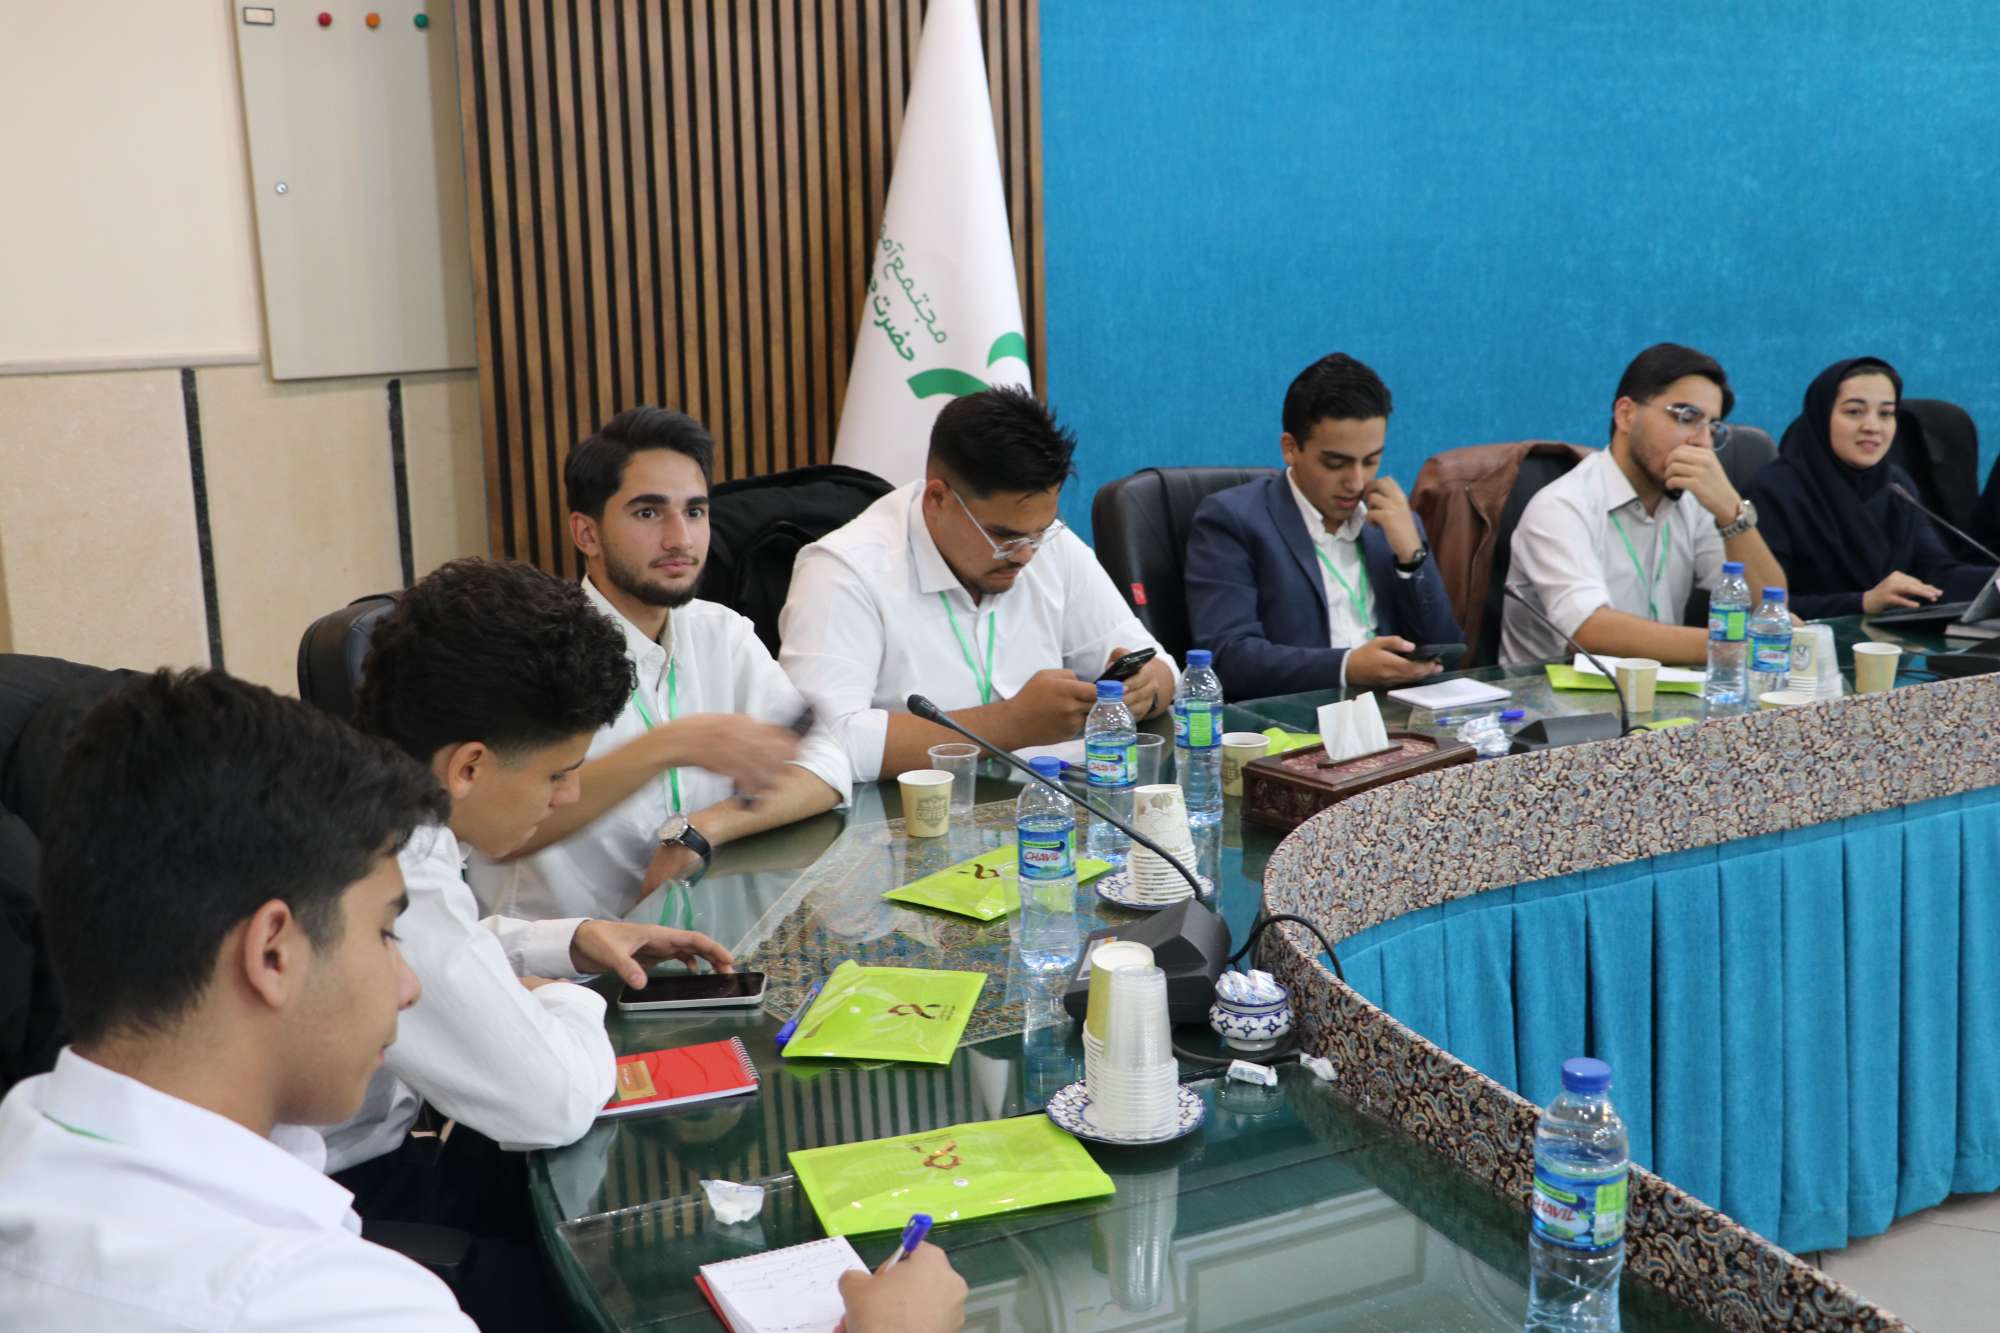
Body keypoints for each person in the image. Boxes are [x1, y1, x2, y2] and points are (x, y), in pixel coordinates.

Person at [0, 668, 476, 1329]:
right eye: (384, 933)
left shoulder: (22, 1155)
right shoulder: (343, 1309)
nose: (408, 984)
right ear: (273, 951)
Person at [334, 557, 736, 1330]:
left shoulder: (362, 796)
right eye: (559, 773)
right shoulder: (393, 869)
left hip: (389, 1153)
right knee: (643, 1287)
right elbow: (549, 1102)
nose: (570, 796)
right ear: (470, 766)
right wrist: (564, 1000)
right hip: (354, 1201)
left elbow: (446, 949)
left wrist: (570, 940)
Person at [467, 407, 851, 923]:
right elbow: (498, 831)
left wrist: (700, 830)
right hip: (561, 959)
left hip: (699, 942)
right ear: (586, 534)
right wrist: (668, 746)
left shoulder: (720, 632)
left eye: (695, 512)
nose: (680, 539)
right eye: (648, 513)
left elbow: (828, 763)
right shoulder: (530, 651)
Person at [780, 387, 1178, 781]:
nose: (1026, 555)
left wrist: (1144, 692)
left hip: (1046, 804)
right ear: (937, 498)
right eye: (1004, 536)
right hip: (905, 814)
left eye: (1040, 532)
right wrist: (1012, 723)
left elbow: (1162, 668)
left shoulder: (1046, 543)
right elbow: (823, 743)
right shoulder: (843, 571)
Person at [1184, 353, 1463, 697]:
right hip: (1295, 722)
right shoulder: (1233, 521)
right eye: (1335, 463)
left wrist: (1412, 560)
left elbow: (1448, 657)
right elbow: (1228, 658)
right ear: (1291, 448)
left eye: (1371, 461)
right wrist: (1346, 667)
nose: (1356, 481)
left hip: (1394, 718)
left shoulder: (1391, 522)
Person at [1499, 343, 1788, 666]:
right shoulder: (1562, 506)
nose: (1702, 442)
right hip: (1553, 693)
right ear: (1626, 415)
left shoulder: (1692, 503)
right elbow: (1590, 631)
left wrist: (1731, 511)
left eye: (1713, 428)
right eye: (1687, 417)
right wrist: (1733, 646)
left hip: (1660, 690)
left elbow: (1770, 608)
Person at [1749, 356, 1998, 619]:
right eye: (1854, 412)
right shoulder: (1772, 491)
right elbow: (1765, 606)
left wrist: (1993, 580)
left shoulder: (1897, 485)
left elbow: (1937, 574)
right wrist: (1863, 602)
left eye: (1886, 414)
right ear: (1822, 415)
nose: (1872, 427)